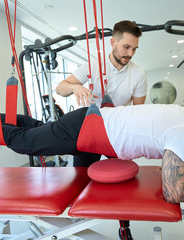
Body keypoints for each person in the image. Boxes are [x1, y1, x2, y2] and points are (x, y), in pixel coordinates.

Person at [0, 98, 184, 204]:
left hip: (94, 131)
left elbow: (173, 168)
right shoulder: (183, 132)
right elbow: (173, 192)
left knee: (75, 170)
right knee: (23, 143)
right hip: (87, 130)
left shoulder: (183, 117)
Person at [58, 21, 147, 236]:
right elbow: (60, 89)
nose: (130, 53)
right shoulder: (93, 65)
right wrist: (75, 86)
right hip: (91, 130)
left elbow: (138, 112)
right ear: (113, 42)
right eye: (126, 47)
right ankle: (75, 224)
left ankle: (124, 227)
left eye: (134, 49)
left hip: (118, 134)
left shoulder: (138, 74)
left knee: (123, 181)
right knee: (80, 176)